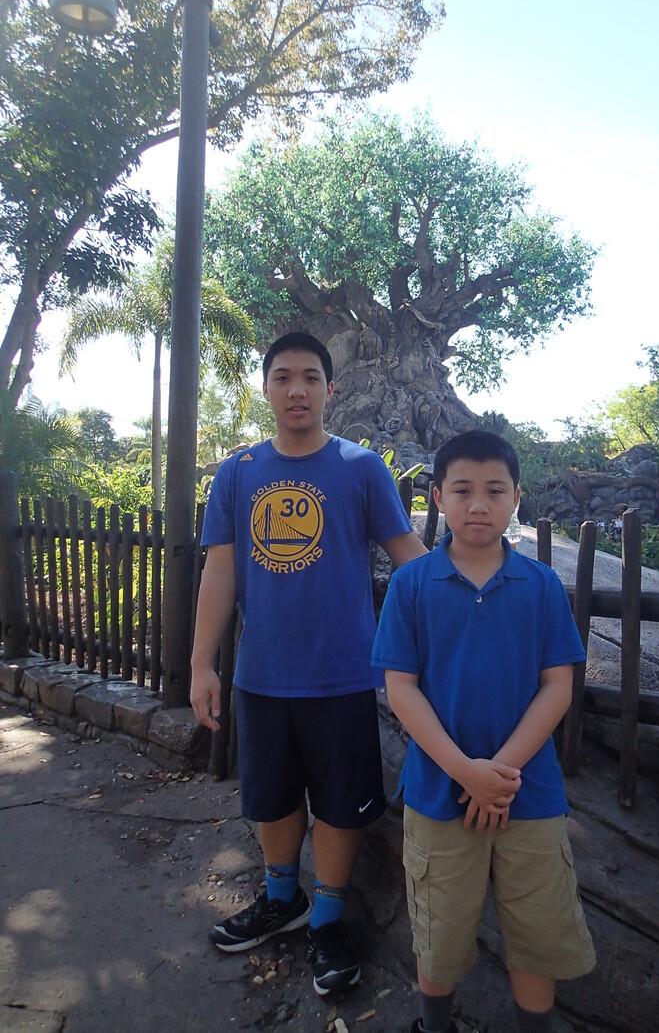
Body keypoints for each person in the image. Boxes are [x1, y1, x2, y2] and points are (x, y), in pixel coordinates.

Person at [190, 331, 426, 996]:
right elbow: (220, 572)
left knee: (342, 804)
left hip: (344, 672)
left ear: (330, 387)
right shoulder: (237, 472)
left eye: (311, 377)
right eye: (284, 377)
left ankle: (327, 918)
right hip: (261, 673)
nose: (297, 389)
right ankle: (281, 897)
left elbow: (407, 556)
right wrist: (201, 663)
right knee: (271, 794)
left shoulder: (361, 468)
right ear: (265, 388)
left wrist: (471, 598)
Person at [371, 430, 596, 1033]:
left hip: (530, 793)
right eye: (462, 490)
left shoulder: (541, 586)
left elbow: (558, 686)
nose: (478, 505)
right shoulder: (411, 585)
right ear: (438, 497)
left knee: (537, 934)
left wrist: (499, 774)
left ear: (516, 498)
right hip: (439, 793)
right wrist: (465, 772)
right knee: (439, 932)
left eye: (495, 491)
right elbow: (400, 688)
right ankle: (433, 1024)